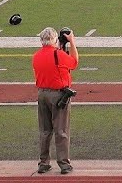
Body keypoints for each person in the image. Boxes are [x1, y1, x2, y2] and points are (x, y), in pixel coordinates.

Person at [32, 26, 79, 175]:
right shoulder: (58, 55)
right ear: (54, 39)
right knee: (61, 130)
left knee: (45, 130)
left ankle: (43, 163)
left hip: (42, 94)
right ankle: (64, 164)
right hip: (58, 95)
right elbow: (74, 63)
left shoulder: (36, 56)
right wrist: (72, 42)